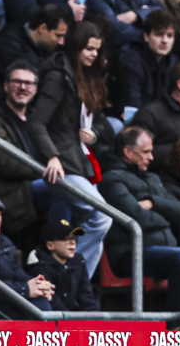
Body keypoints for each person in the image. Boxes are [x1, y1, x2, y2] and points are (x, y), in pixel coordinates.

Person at [25, 21, 115, 274]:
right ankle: (69, 275)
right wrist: (52, 157)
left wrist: (94, 137)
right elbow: (36, 123)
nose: (93, 54)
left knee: (93, 228)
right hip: (63, 165)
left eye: (96, 50)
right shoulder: (57, 77)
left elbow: (103, 128)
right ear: (75, 47)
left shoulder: (88, 78)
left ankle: (78, 292)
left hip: (81, 162)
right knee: (103, 217)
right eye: (88, 48)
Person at [99, 127, 180, 309]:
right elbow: (139, 218)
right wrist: (167, 216)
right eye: (146, 152)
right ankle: (174, 325)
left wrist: (153, 203)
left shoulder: (152, 178)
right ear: (128, 152)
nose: (152, 158)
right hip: (131, 254)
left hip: (165, 248)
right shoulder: (111, 180)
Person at [0, 62, 43, 244]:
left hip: (34, 187)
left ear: (35, 89)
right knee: (63, 185)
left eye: (28, 83)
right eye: (17, 82)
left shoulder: (37, 120)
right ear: (6, 86)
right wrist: (46, 170)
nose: (23, 87)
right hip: (11, 192)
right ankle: (57, 240)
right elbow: (7, 164)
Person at [0, 5, 70, 111]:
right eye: (58, 35)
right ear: (43, 28)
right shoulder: (9, 39)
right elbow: (31, 74)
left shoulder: (49, 48)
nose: (61, 42)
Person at [25, 218, 100, 311]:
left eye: (73, 238)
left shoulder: (78, 261)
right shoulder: (39, 268)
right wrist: (72, 322)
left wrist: (94, 320)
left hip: (75, 320)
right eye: (66, 239)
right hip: (55, 321)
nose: (73, 242)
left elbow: (86, 297)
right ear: (50, 245)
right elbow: (52, 303)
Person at [115, 10, 178, 119]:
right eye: (159, 35)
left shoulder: (171, 62)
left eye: (169, 35)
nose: (165, 41)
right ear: (146, 36)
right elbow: (132, 106)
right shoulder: (131, 61)